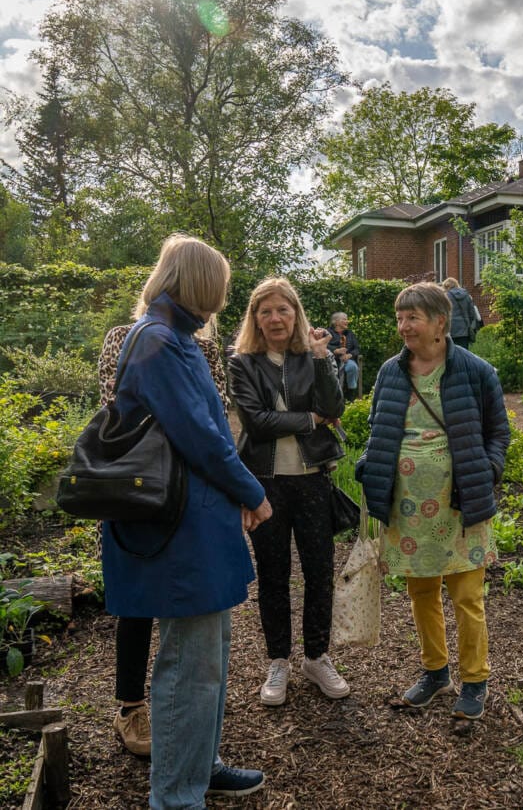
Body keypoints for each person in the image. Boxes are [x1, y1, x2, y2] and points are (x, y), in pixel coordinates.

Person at [101, 234, 272, 807]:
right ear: (200, 282)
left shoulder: (171, 337)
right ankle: (176, 795)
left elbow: (207, 427)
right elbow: (200, 435)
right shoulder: (158, 342)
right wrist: (252, 490)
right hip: (178, 531)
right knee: (188, 666)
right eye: (220, 283)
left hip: (192, 524)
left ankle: (199, 767)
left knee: (208, 658)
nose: (225, 295)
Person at [356, 282, 510, 721]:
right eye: (400, 318)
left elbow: (498, 434)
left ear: (440, 322)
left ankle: (475, 681)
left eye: (413, 317)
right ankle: (435, 673)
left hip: (461, 501)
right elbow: (377, 428)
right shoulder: (391, 372)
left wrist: (489, 470)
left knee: (466, 595)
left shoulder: (478, 371)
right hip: (407, 505)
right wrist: (371, 465)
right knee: (421, 591)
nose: (404, 326)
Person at [98, 323, 229, 758]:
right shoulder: (123, 337)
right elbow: (113, 409)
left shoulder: (204, 347)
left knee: (182, 602)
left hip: (188, 491)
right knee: (136, 603)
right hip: (138, 483)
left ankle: (182, 712)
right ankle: (130, 707)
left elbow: (217, 413)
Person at [228, 277, 349, 707]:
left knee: (320, 571)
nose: (275, 318)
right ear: (255, 319)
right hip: (264, 482)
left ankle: (317, 656)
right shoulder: (242, 362)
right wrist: (309, 420)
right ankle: (277, 659)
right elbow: (256, 422)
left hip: (313, 477)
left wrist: (321, 361)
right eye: (266, 311)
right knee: (274, 574)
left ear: (296, 313)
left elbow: (335, 408)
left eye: (283, 309)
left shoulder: (311, 355)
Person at [327, 311, 361, 400]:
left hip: (347, 360)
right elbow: (323, 345)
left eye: (347, 319)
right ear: (336, 322)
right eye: (344, 319)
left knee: (352, 367)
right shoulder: (327, 333)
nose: (347, 321)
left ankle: (350, 396)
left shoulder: (350, 333)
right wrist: (335, 350)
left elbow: (357, 348)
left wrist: (350, 355)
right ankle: (334, 397)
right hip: (332, 360)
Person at [442, 277, 482, 349]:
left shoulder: (446, 296)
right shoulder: (466, 295)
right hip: (464, 331)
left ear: (447, 286)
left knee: (451, 354)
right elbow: (472, 313)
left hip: (450, 331)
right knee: (463, 354)